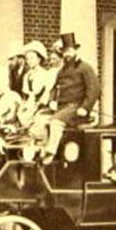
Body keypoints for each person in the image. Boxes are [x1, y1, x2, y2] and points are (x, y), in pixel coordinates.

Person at [43, 32, 99, 163]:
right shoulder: (62, 71)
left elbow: (94, 89)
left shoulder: (85, 68)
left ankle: (50, 153)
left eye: (69, 50)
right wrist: (52, 101)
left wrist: (85, 107)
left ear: (75, 51)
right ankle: (37, 150)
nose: (67, 54)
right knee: (39, 119)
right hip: (62, 108)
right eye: (65, 52)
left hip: (76, 107)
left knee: (55, 122)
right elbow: (54, 89)